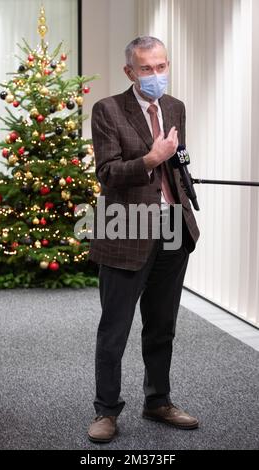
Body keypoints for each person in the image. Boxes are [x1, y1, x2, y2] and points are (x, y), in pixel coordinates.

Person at [87, 36, 200, 443]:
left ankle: (158, 400)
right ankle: (106, 411)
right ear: (129, 72)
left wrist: (180, 178)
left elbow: (177, 158)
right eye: (147, 69)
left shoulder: (175, 108)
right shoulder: (108, 110)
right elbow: (108, 174)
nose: (157, 75)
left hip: (173, 227)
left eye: (162, 66)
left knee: (161, 325)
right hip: (126, 227)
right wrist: (152, 158)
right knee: (114, 328)